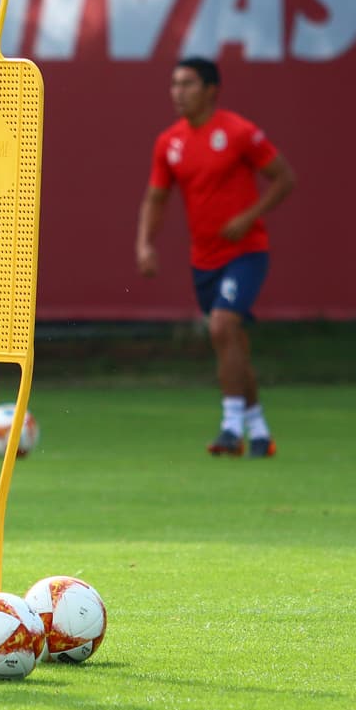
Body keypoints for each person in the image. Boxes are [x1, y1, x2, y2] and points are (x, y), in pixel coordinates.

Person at [136, 57, 296, 459]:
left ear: (211, 90)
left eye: (187, 84)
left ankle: (229, 429)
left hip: (246, 253)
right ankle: (259, 432)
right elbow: (157, 198)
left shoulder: (238, 132)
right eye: (174, 84)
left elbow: (284, 178)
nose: (178, 92)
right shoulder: (168, 142)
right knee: (232, 343)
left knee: (222, 326)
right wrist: (145, 244)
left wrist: (248, 217)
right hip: (203, 258)